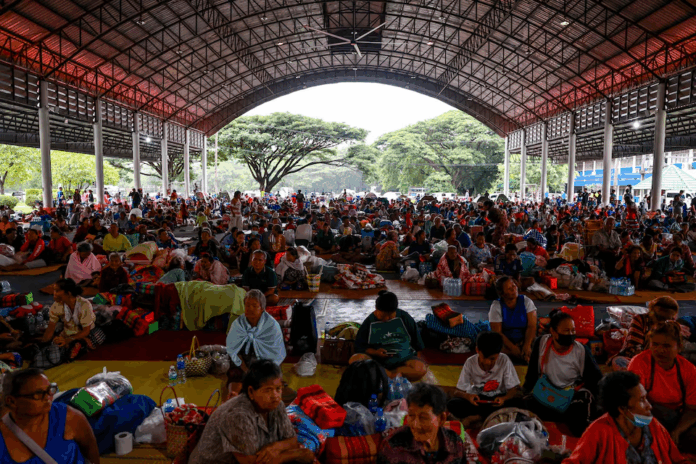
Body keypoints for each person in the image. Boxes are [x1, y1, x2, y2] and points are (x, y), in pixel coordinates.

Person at [190, 359, 313, 464]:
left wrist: (276, 447)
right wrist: (297, 454)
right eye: (268, 390)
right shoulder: (238, 415)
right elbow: (252, 462)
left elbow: (292, 440)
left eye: (278, 389)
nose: (275, 396)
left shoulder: (277, 405)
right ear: (251, 392)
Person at [563, 371, 688, 464]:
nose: (649, 406)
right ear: (622, 408)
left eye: (646, 398)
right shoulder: (599, 431)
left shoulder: (653, 426)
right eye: (642, 400)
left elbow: (678, 460)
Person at [523, 310, 603, 437]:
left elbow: (596, 380)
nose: (571, 334)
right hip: (547, 393)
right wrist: (524, 392)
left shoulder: (581, 350)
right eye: (566, 331)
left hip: (572, 396)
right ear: (553, 332)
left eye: (573, 330)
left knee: (579, 421)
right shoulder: (541, 343)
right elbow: (532, 374)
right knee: (523, 410)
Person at [0, 368, 101, 464]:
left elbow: (90, 449)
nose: (48, 397)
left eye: (50, 389)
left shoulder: (67, 416)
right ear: (12, 401)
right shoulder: (3, 435)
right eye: (38, 394)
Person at [628, 322, 696, 449]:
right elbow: (633, 403)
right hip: (647, 416)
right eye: (655, 344)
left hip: (678, 418)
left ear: (679, 347)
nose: (660, 350)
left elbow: (692, 409)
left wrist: (677, 431)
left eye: (666, 346)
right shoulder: (639, 362)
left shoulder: (689, 370)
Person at [377, 383, 466, 464]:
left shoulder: (455, 443)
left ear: (442, 419)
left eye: (423, 418)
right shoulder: (393, 447)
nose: (416, 425)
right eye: (411, 415)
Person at [351, 291, 427, 381]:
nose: (386, 319)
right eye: (382, 316)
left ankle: (384, 375)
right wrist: (375, 352)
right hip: (377, 361)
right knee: (355, 359)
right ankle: (391, 375)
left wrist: (417, 362)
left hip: (403, 359)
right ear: (376, 308)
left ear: (395, 310)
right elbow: (360, 346)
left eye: (390, 316)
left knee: (420, 369)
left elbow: (417, 344)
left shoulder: (404, 317)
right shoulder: (369, 322)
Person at [448, 331, 521, 426]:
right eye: (484, 357)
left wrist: (504, 398)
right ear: (477, 350)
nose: (487, 362)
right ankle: (489, 416)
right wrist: (468, 397)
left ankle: (477, 417)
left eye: (492, 359)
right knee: (453, 404)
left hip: (498, 400)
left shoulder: (504, 360)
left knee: (519, 403)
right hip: (478, 400)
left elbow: (513, 390)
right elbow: (458, 391)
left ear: (499, 353)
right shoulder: (470, 362)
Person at [225, 290, 287, 396]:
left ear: (262, 308)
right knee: (235, 375)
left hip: (265, 365)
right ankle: (234, 395)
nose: (250, 309)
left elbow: (275, 355)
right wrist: (246, 370)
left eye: (254, 306)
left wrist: (259, 372)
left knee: (268, 382)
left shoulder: (272, 326)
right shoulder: (238, 324)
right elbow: (234, 351)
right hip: (243, 364)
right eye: (247, 305)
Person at [41, 279, 101, 358]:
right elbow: (50, 328)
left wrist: (68, 340)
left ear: (68, 293)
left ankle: (80, 344)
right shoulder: (56, 306)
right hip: (69, 333)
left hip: (86, 332)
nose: (54, 293)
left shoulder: (84, 305)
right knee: (56, 345)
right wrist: (43, 344)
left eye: (57, 291)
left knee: (80, 344)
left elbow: (86, 331)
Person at [615, 296, 680, 363]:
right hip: (638, 359)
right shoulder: (640, 319)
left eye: (667, 318)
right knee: (619, 361)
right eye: (660, 317)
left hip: (662, 361)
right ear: (652, 312)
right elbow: (635, 348)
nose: (662, 322)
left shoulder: (673, 325)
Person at [488, 276, 537, 362]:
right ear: (502, 294)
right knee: (492, 347)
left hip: (524, 339)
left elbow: (532, 326)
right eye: (509, 288)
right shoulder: (496, 306)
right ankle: (523, 356)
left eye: (514, 285)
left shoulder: (527, 301)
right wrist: (513, 348)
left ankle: (524, 354)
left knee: (539, 344)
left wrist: (527, 345)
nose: (514, 289)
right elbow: (498, 333)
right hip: (505, 341)